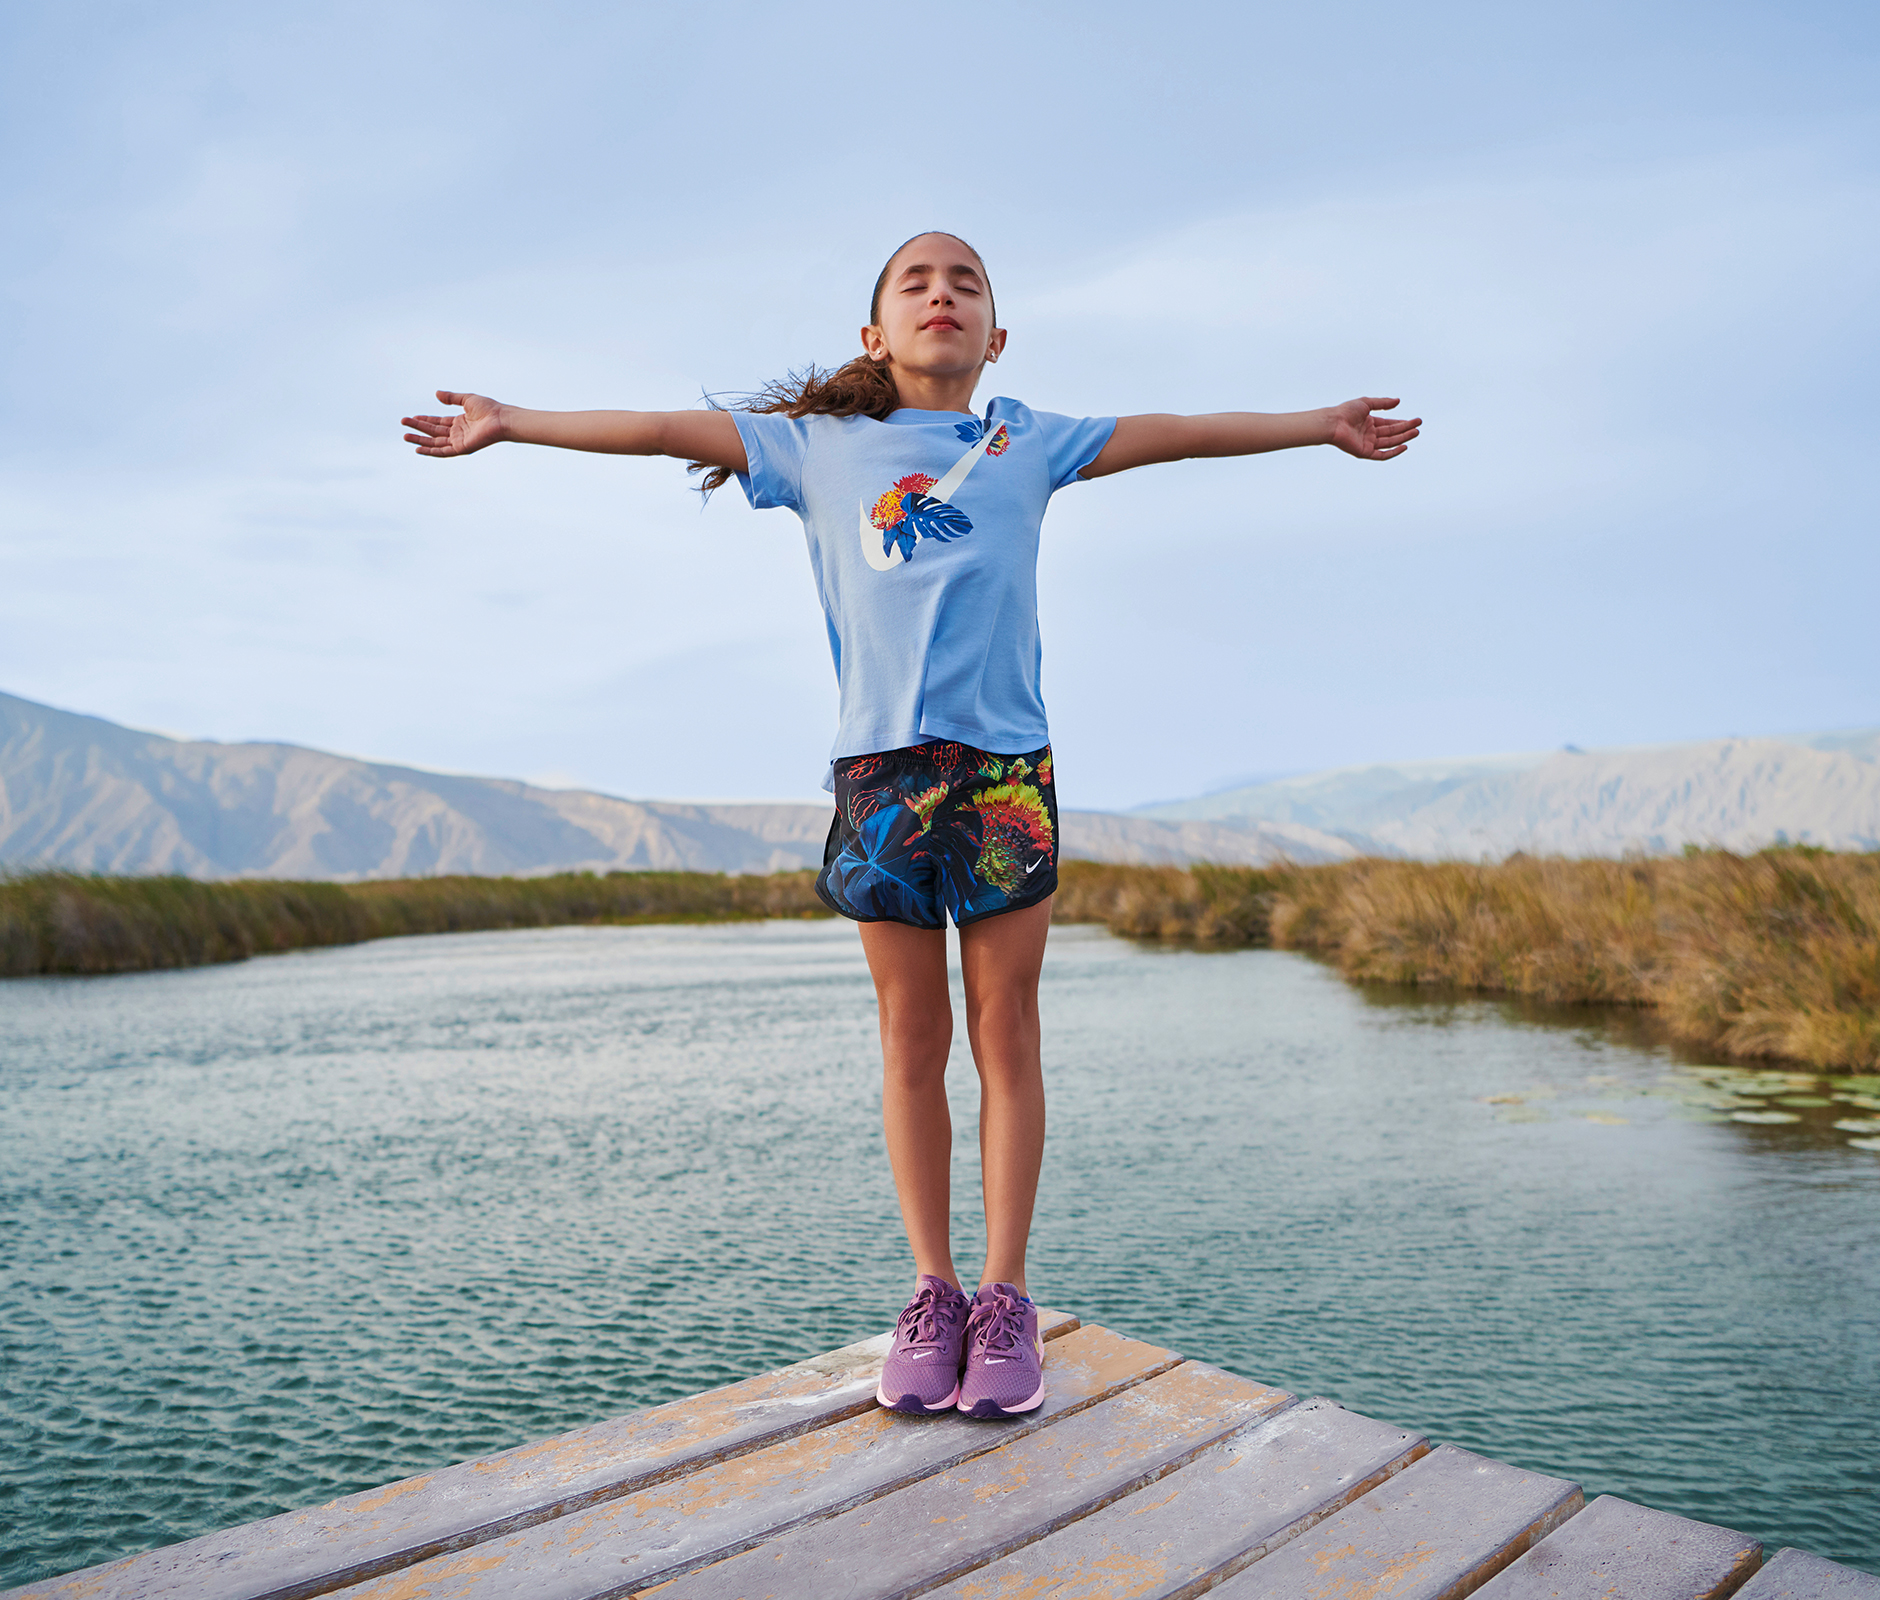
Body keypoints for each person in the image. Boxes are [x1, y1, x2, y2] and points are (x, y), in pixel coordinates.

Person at [401, 230, 1419, 1420]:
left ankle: (1004, 1296)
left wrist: (1318, 423)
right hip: (879, 776)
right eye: (916, 283)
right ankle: (929, 1289)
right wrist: (513, 419)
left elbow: (1180, 432)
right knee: (909, 1036)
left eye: (967, 283)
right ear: (874, 336)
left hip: (1003, 773)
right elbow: (660, 430)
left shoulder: (1027, 441)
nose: (943, 294)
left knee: (1006, 1031)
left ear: (996, 336)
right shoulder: (815, 447)